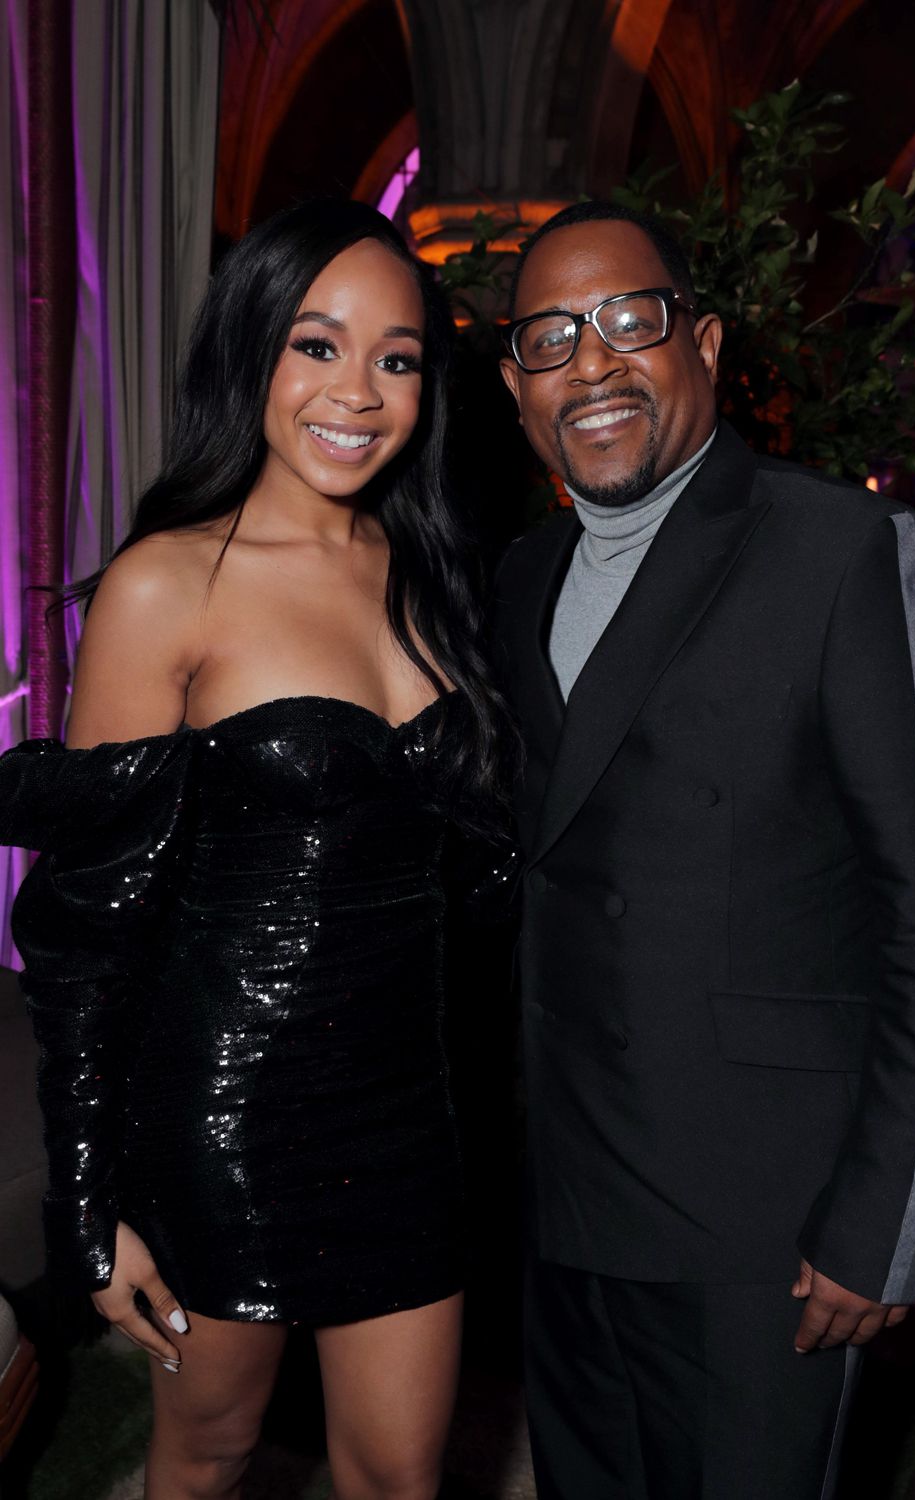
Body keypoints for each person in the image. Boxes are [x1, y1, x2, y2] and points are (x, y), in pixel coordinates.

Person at [0, 199, 514, 1500]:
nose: (360, 390)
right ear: (251, 355)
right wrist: (84, 1192)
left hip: (414, 1116)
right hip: (225, 1118)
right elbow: (87, 924)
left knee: (401, 1477)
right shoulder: (170, 582)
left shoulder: (436, 573)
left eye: (396, 357)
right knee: (206, 1459)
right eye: (317, 345)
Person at [492, 199, 915, 1500]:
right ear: (515, 384)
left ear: (705, 343)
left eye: (628, 320)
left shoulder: (842, 551)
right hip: (563, 1209)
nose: (591, 362)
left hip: (764, 1234)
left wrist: (883, 1231)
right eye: (551, 336)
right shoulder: (517, 576)